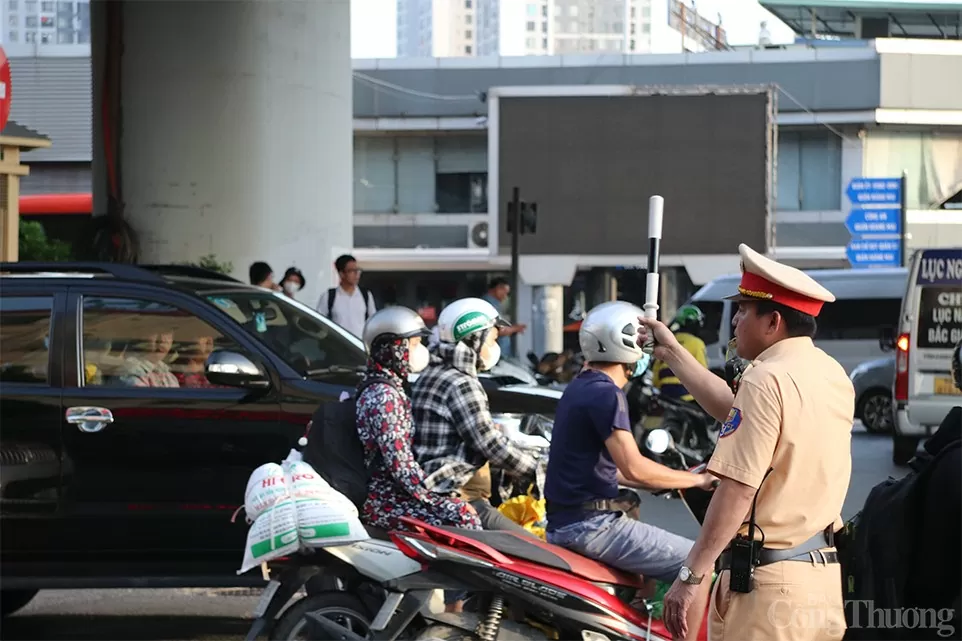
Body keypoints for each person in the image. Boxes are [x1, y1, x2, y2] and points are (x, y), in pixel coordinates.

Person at [638, 243, 853, 641]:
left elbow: (737, 488)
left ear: (773, 322)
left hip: (768, 595)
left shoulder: (765, 379)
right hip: (820, 583)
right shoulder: (830, 373)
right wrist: (671, 351)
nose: (735, 321)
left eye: (742, 310)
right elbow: (737, 410)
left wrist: (691, 574)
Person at [544, 300, 716, 641]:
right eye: (644, 343)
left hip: (570, 521)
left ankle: (641, 625)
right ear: (625, 343)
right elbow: (634, 468)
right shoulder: (606, 393)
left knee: (653, 557)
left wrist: (669, 480)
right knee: (699, 563)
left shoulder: (581, 386)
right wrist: (699, 480)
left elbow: (614, 470)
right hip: (591, 525)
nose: (648, 352)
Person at [410, 297, 541, 611]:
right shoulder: (461, 383)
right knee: (536, 553)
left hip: (434, 488)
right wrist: (535, 470)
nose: (495, 344)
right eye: (493, 336)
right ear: (474, 336)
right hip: (453, 496)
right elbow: (489, 446)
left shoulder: (434, 372)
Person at [355, 306, 482, 533]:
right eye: (413, 344)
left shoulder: (385, 384)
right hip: (384, 501)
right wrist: (436, 499)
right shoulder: (385, 397)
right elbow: (401, 468)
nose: (420, 350)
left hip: (392, 494)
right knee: (464, 518)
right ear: (391, 347)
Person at [652, 304, 708, 402]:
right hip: (688, 399)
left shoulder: (667, 341)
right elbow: (703, 375)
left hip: (665, 396)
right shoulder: (697, 343)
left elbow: (656, 376)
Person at [316, 254, 376, 338]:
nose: (356, 274)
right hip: (338, 345)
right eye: (352, 271)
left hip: (360, 345)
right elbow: (319, 322)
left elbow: (373, 321)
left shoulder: (366, 295)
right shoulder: (329, 296)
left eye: (357, 270)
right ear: (341, 274)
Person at [481, 277, 527, 357]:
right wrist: (515, 328)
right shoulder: (488, 305)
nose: (505, 297)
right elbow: (498, 330)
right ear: (498, 288)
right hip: (496, 353)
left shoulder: (494, 304)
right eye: (504, 293)